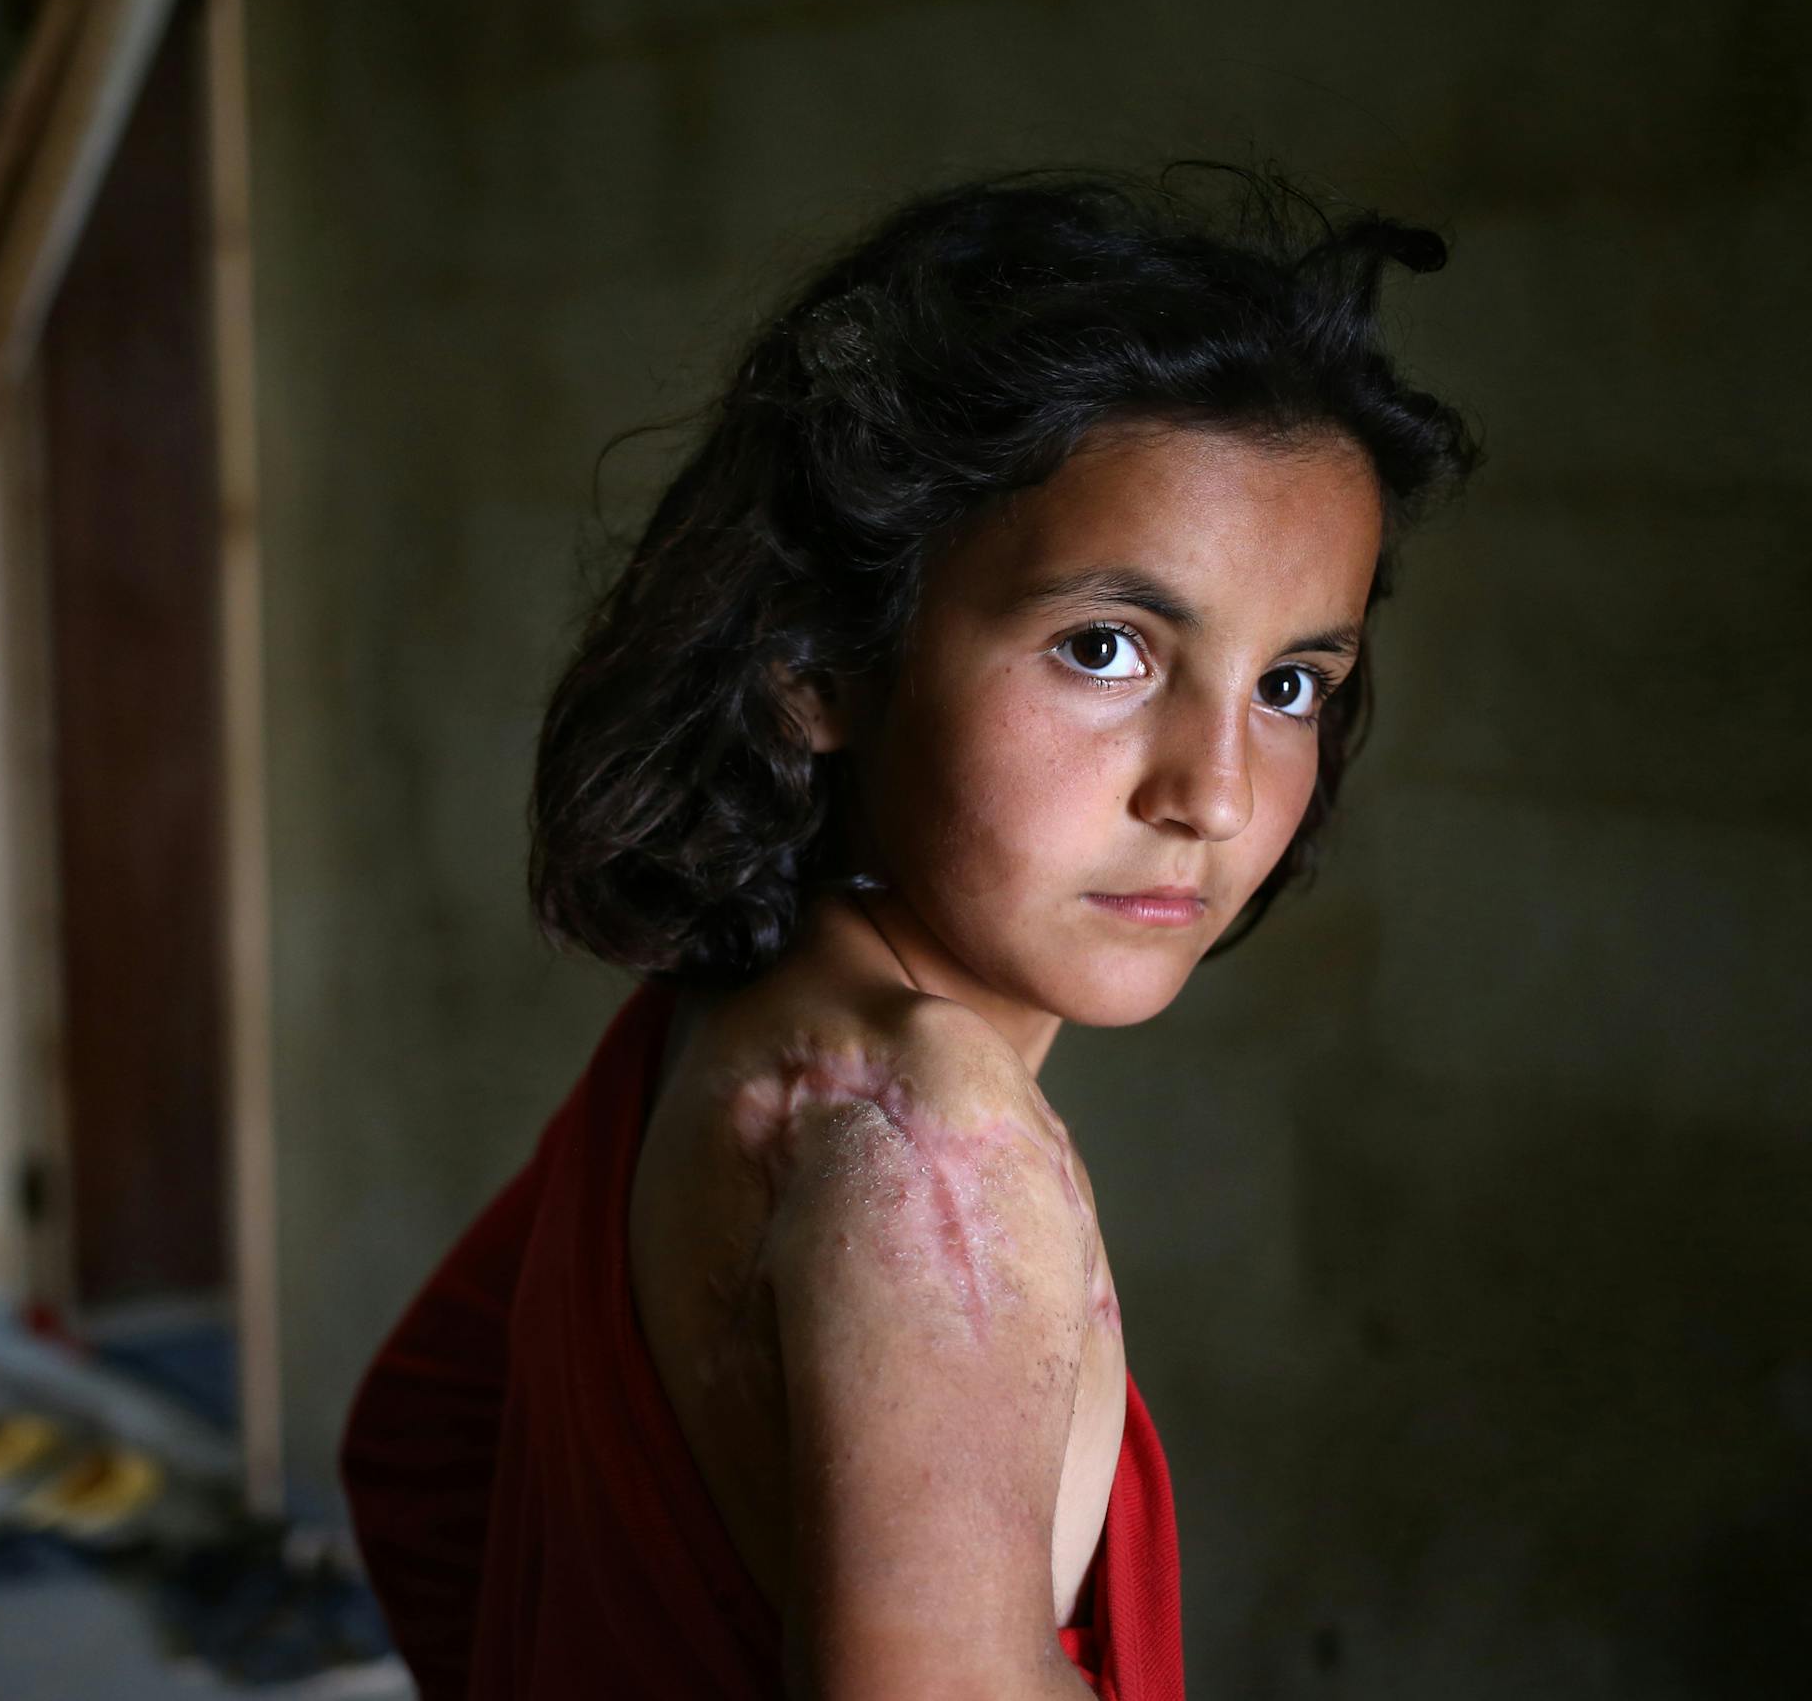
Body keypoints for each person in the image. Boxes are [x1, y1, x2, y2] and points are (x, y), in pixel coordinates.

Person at [341, 166, 1479, 1700]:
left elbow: (417, 1437)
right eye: (1106, 649)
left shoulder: (719, 1026)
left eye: (1292, 685)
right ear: (818, 664)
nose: (1213, 794)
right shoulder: (933, 1158)